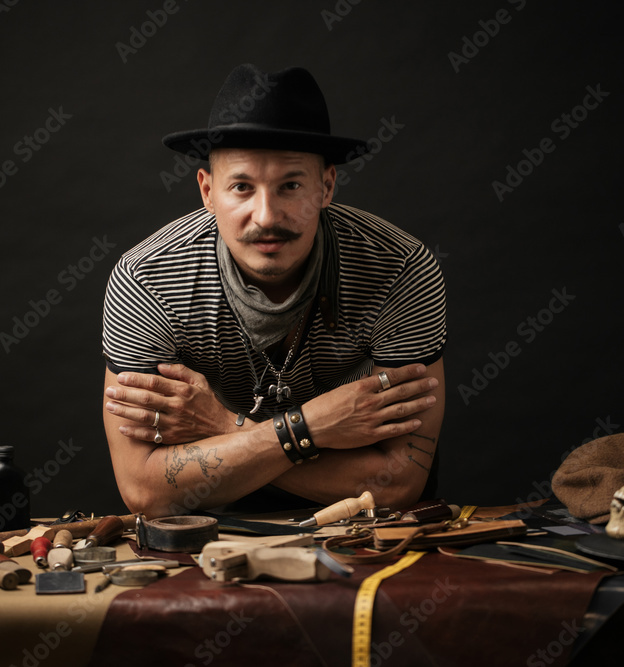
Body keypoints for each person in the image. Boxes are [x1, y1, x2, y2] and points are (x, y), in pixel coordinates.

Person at [102, 64, 447, 518]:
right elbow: (145, 491)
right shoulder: (147, 280)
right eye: (242, 187)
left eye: (290, 186)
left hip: (364, 536)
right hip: (204, 534)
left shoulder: (402, 270)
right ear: (207, 191)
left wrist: (224, 426)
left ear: (326, 185)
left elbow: (398, 484)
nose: (266, 215)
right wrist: (315, 425)